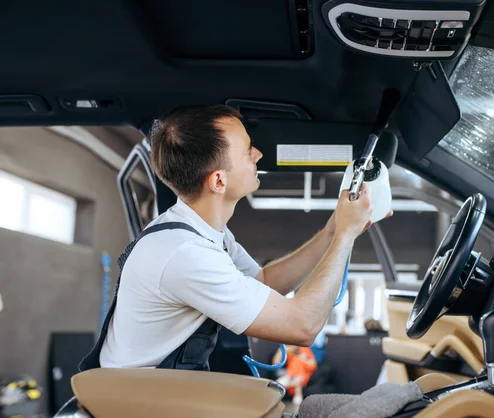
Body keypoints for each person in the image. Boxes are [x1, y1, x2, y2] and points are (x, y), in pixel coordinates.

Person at [80, 105, 388, 371]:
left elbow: (264, 280)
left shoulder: (201, 232)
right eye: (247, 151)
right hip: (139, 405)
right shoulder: (185, 252)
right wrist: (346, 236)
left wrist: (335, 227)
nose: (258, 154)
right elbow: (303, 327)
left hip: (167, 389)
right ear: (218, 181)